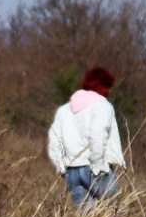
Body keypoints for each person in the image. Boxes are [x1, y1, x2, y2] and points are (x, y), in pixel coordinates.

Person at [47, 66, 125, 208]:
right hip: (94, 168)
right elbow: (97, 134)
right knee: (118, 212)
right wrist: (99, 166)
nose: (110, 90)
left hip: (72, 172)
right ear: (101, 86)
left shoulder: (64, 109)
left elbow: (54, 141)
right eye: (108, 86)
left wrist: (61, 167)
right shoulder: (102, 106)